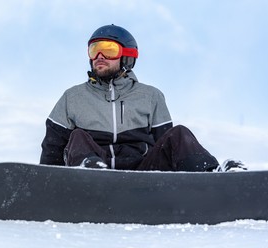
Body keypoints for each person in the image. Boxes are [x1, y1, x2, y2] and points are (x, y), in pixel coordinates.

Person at [40, 24, 246, 172]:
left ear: (127, 57)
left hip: (141, 174)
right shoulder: (73, 97)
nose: (99, 56)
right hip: (89, 174)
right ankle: (92, 170)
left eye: (109, 50)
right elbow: (52, 148)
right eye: (94, 50)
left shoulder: (150, 96)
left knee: (179, 135)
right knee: (78, 137)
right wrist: (45, 183)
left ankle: (210, 175)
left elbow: (166, 147)